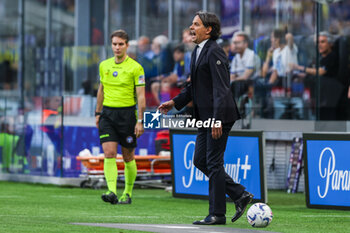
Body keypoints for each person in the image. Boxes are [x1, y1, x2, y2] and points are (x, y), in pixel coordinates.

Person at [159, 11, 253, 225]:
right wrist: (174, 102)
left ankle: (217, 214)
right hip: (205, 116)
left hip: (218, 117)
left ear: (208, 29)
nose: (191, 27)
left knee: (213, 162)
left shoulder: (214, 51)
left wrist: (218, 119)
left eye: (196, 24)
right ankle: (239, 194)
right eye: (191, 24)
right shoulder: (198, 51)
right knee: (200, 160)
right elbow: (194, 87)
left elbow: (221, 89)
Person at [95, 29, 146, 204]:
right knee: (109, 153)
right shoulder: (104, 65)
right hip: (108, 114)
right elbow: (101, 90)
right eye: (114, 44)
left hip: (127, 116)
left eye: (120, 44)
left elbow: (141, 97)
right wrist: (97, 112)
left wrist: (140, 120)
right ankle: (111, 191)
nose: (117, 47)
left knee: (128, 157)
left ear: (127, 45)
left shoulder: (136, 67)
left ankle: (128, 193)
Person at [230, 31, 261, 99]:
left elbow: (246, 76)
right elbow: (232, 76)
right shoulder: (236, 57)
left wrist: (234, 79)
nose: (235, 45)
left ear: (246, 44)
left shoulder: (251, 55)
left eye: (238, 43)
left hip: (253, 85)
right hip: (239, 85)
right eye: (234, 43)